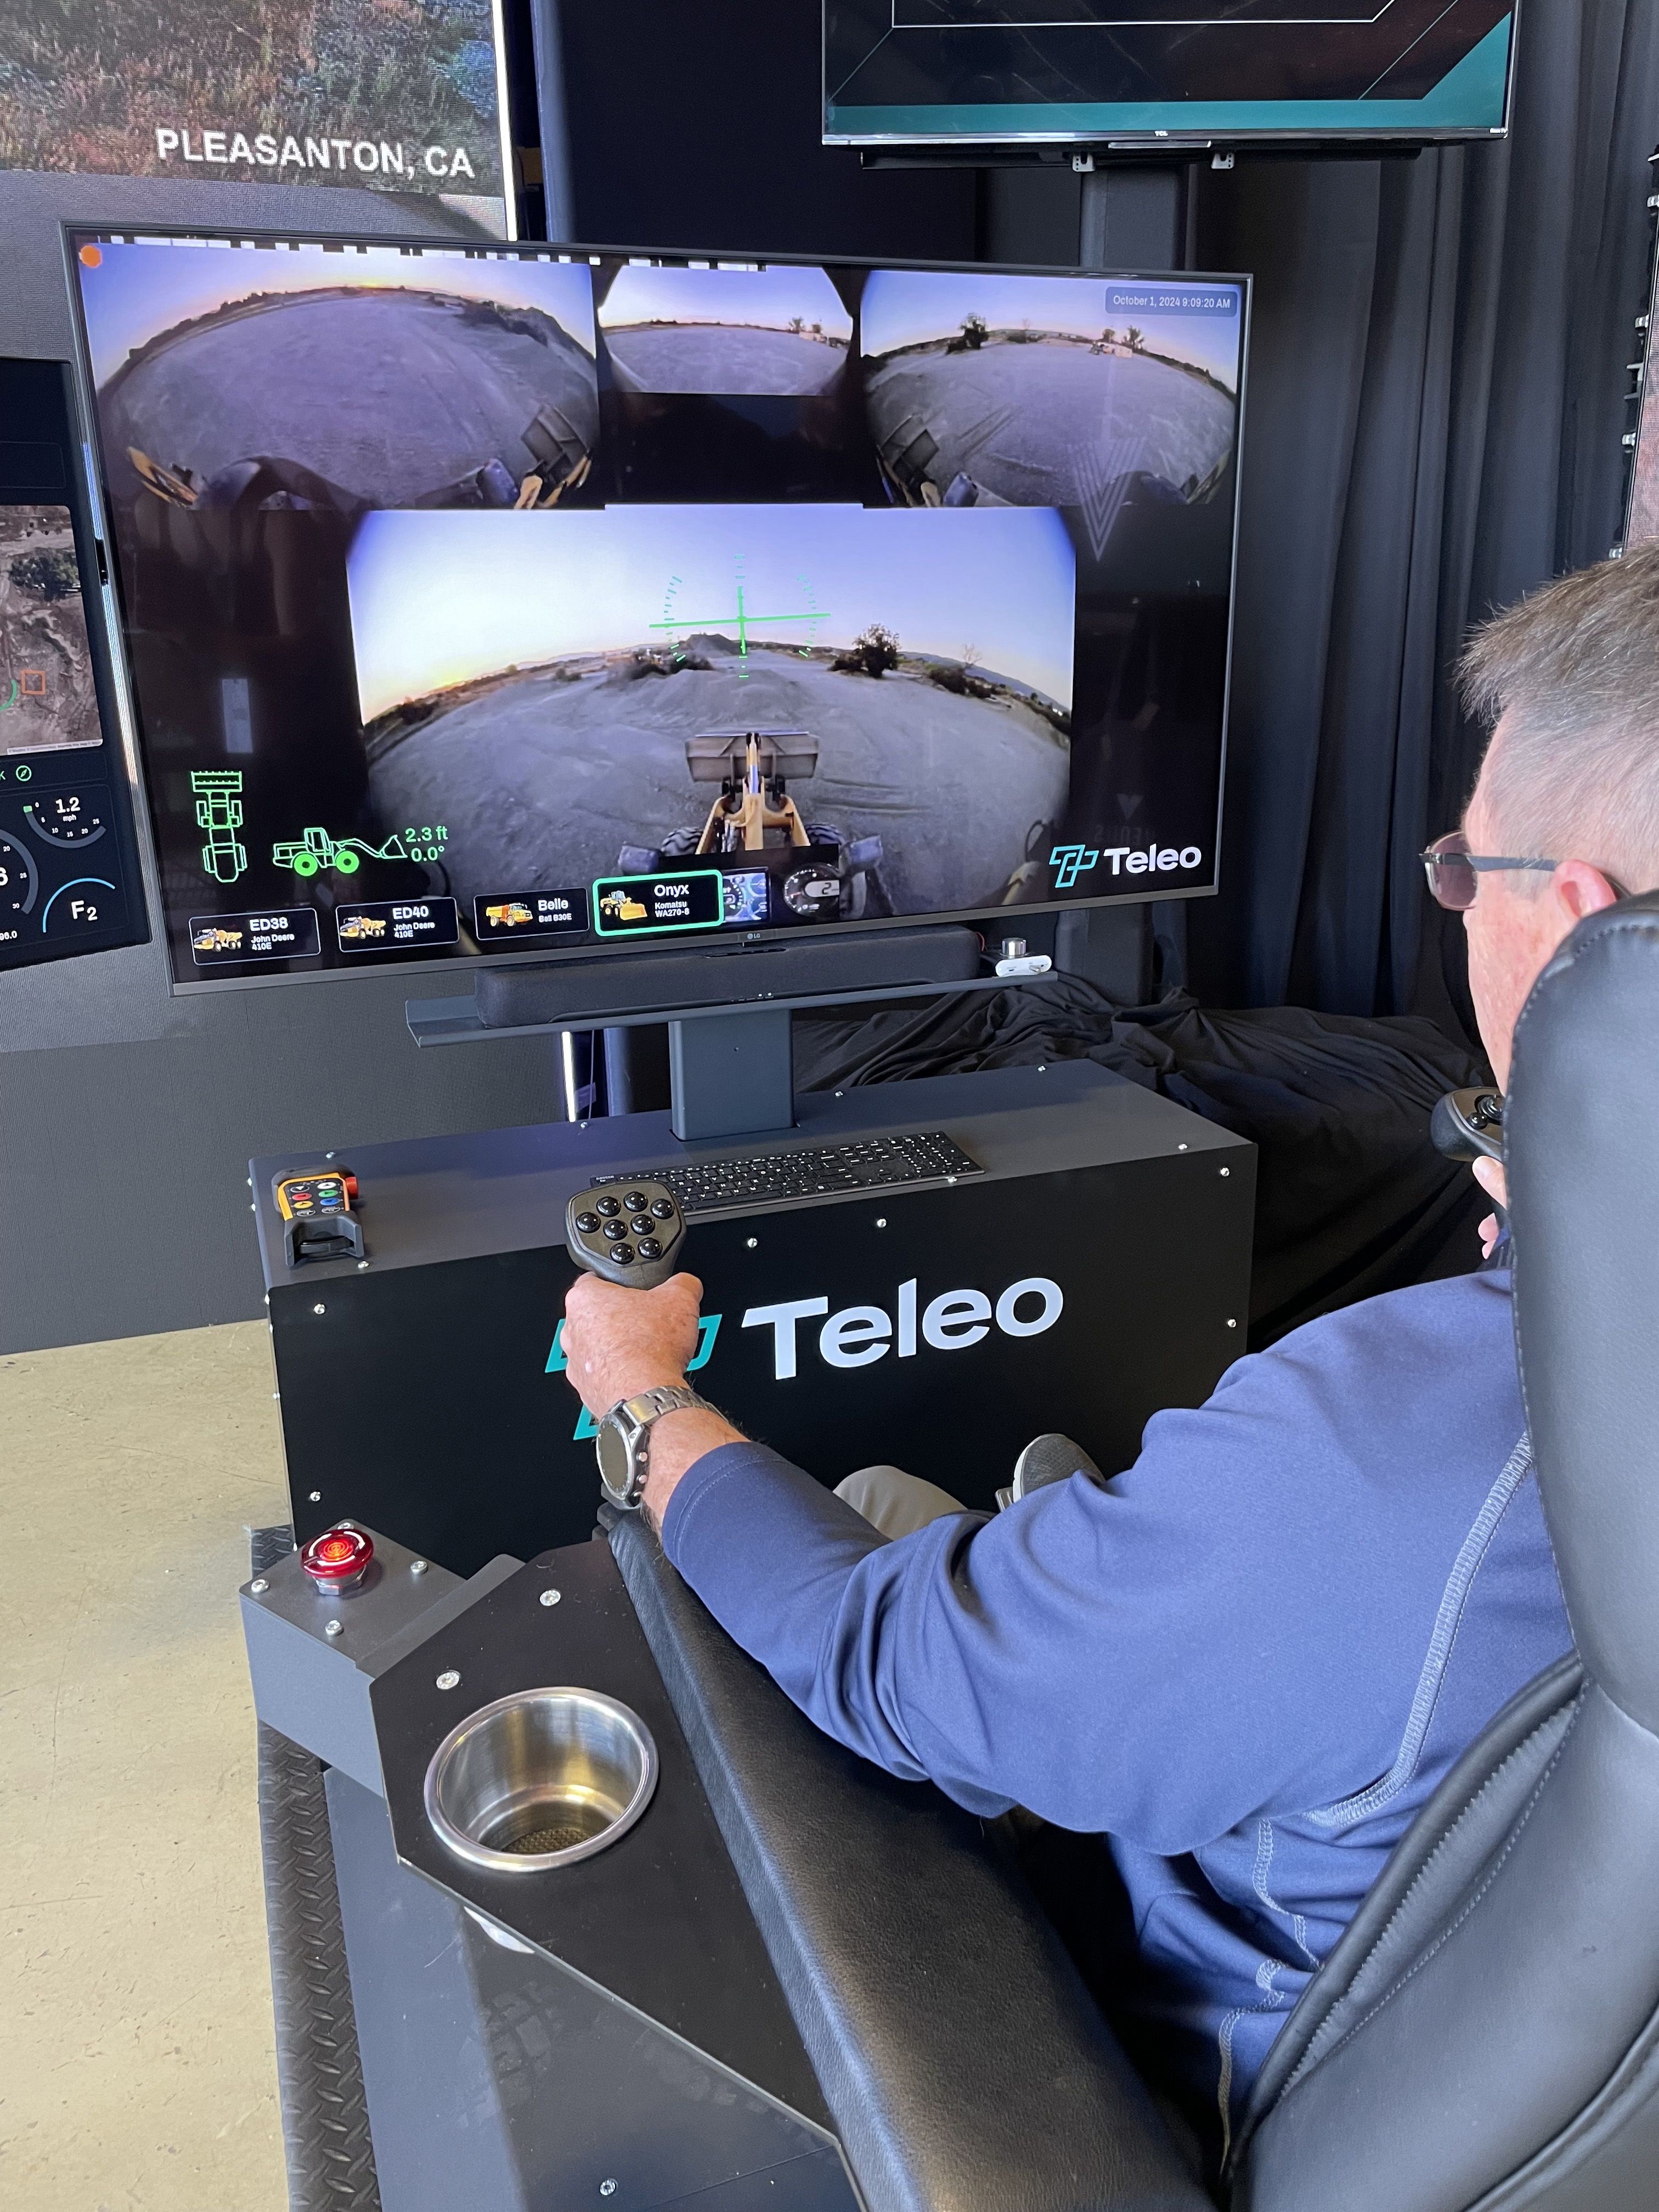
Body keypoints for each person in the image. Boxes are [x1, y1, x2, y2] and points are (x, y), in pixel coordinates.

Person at [558, 544, 1659, 2166]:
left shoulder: (1392, 1440)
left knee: (858, 1534)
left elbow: (885, 1667)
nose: (1457, 904)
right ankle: (1104, 1574)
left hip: (1223, 2071)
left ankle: (1088, 1581)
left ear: (1575, 929)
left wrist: (645, 1399)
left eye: (1465, 872)